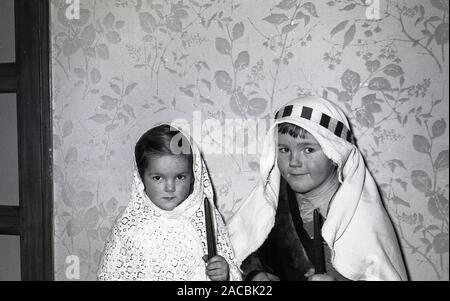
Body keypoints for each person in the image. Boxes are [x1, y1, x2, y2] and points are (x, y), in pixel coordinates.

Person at [227, 96, 408, 281]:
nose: (293, 162)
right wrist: (256, 276)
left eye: (308, 150)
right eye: (284, 149)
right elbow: (246, 261)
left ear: (335, 152)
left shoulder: (363, 220)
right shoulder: (271, 207)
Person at [97, 124, 242, 281]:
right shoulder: (128, 227)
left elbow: (232, 269)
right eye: (158, 178)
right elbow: (108, 275)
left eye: (180, 177)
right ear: (141, 178)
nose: (170, 187)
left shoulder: (206, 219)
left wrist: (225, 274)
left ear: (193, 176)